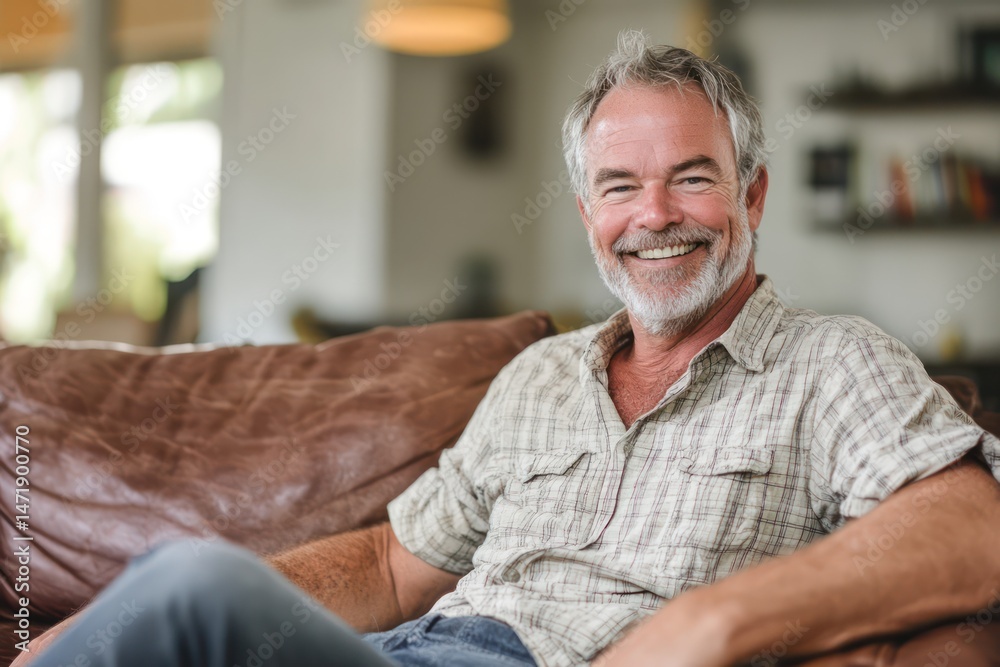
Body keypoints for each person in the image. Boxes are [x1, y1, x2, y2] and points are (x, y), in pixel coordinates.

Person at [18, 30, 1000, 667]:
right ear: (586, 214)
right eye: (619, 187)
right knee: (182, 578)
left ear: (751, 197)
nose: (653, 216)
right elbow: (397, 566)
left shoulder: (831, 364)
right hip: (414, 650)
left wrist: (708, 624)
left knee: (192, 585)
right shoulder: (539, 376)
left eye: (691, 179)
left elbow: (974, 531)